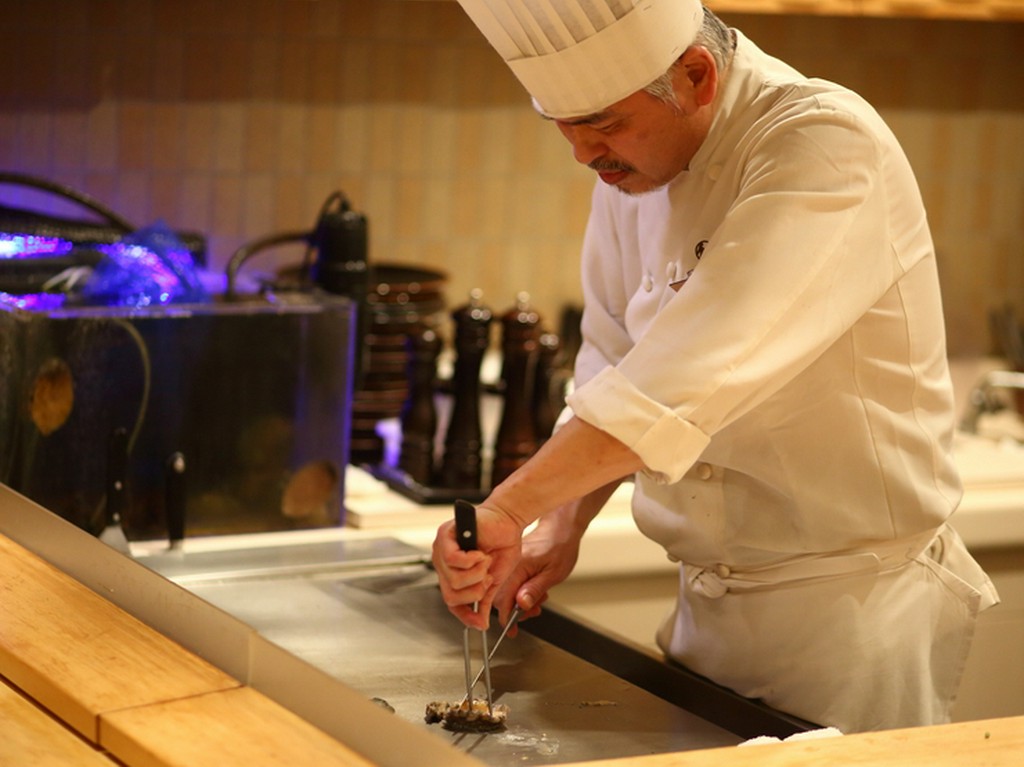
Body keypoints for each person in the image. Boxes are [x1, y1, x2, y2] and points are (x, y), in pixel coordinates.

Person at [431, 0, 998, 734]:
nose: (583, 154)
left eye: (602, 124)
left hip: (850, 622)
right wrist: (558, 524)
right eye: (564, 128)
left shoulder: (823, 144)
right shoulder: (631, 171)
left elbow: (683, 377)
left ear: (696, 75)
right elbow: (613, 366)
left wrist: (509, 506)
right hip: (704, 611)